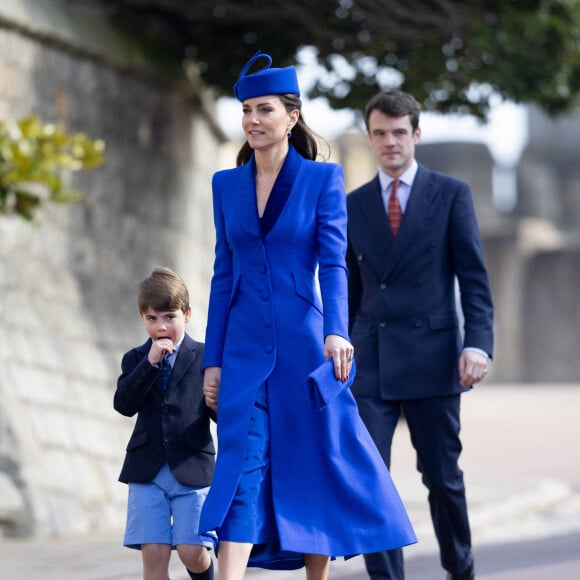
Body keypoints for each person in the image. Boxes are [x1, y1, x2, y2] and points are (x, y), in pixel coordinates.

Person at [199, 51, 417, 580]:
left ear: (291, 116)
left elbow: (333, 265)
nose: (253, 119)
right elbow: (222, 276)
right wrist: (212, 360)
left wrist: (337, 332)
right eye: (246, 109)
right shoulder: (225, 186)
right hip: (243, 352)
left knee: (309, 467)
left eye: (265, 109)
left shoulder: (322, 180)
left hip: (305, 348)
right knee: (243, 471)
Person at [346, 88, 494, 580]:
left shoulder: (451, 194)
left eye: (398, 133)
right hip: (371, 363)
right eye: (379, 134)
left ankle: (461, 570)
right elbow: (346, 289)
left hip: (433, 359)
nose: (390, 142)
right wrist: (339, 344)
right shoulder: (353, 204)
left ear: (416, 134)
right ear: (370, 138)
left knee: (443, 479)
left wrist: (478, 344)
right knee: (370, 481)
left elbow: (472, 277)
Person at [114, 266, 216, 580]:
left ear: (186, 314)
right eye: (152, 318)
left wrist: (216, 401)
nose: (161, 326)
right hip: (147, 469)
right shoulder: (136, 359)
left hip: (191, 465)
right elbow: (124, 405)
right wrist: (150, 364)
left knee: (191, 552)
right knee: (154, 555)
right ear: (143, 319)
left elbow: (221, 415)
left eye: (169, 317)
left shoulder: (205, 357)